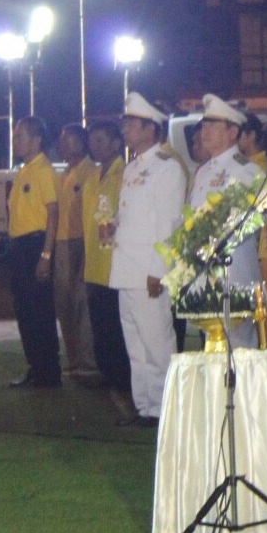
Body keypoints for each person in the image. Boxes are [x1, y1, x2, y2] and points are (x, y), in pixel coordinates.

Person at [111, 93, 187, 425]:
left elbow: (169, 225)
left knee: (157, 344)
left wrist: (160, 270)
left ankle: (166, 407)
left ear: (150, 129)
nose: (125, 129)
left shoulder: (167, 169)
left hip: (148, 271)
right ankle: (145, 406)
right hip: (126, 268)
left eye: (131, 124)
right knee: (135, 346)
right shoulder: (133, 168)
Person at [188, 93, 263, 349]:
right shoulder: (203, 171)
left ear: (232, 132)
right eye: (203, 125)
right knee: (213, 348)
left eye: (212, 125)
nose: (204, 131)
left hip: (234, 272)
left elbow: (246, 224)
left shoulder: (246, 170)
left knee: (240, 349)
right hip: (205, 274)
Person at [6, 116, 62, 388]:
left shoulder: (44, 171)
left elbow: (53, 214)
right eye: (16, 136)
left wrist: (46, 254)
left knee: (40, 310)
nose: (16, 141)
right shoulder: (24, 171)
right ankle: (36, 367)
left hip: (35, 245)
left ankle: (49, 370)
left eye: (21, 136)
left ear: (37, 140)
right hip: (19, 246)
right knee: (24, 310)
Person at [82, 119, 131, 413]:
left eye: (101, 140)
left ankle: (123, 383)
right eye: (93, 140)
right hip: (94, 264)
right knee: (100, 327)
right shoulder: (92, 176)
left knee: (116, 329)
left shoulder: (124, 175)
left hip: (115, 264)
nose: (94, 145)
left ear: (116, 143)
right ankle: (110, 378)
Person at [53, 125, 98, 381]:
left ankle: (88, 362)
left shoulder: (91, 172)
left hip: (81, 242)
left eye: (66, 141)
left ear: (80, 143)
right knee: (64, 305)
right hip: (62, 243)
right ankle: (72, 360)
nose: (62, 146)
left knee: (82, 304)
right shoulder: (66, 173)